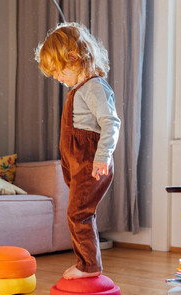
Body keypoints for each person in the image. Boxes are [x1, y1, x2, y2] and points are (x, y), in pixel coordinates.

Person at [35, 22, 121, 280]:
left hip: (90, 162)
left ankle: (89, 266)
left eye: (58, 71)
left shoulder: (94, 86)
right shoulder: (80, 89)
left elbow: (110, 122)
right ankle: (87, 263)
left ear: (74, 58)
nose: (57, 78)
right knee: (79, 213)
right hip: (77, 163)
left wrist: (102, 157)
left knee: (78, 214)